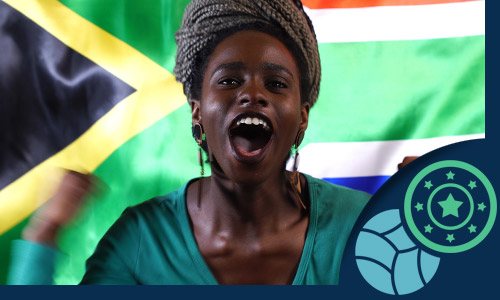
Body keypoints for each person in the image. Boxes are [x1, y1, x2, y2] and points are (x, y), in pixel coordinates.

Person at [8, 0, 370, 284]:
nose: (252, 95)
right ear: (197, 112)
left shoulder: (365, 226)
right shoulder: (142, 242)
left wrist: (423, 232)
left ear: (302, 118)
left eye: (276, 84)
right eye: (229, 81)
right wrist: (45, 234)